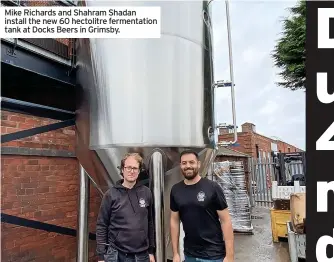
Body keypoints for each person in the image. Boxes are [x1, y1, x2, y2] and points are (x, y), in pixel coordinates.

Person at [170, 149, 234, 262]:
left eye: (191, 162)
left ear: (198, 164)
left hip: (213, 255)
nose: (188, 166)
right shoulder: (176, 190)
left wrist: (230, 256)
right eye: (184, 163)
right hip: (190, 255)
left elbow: (226, 221)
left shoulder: (212, 188)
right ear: (180, 165)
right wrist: (175, 253)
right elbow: (174, 221)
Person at [96, 153, 156, 262]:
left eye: (135, 168)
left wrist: (151, 251)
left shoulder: (146, 193)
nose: (131, 171)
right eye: (128, 167)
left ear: (139, 171)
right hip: (116, 254)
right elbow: (102, 225)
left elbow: (150, 223)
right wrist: (101, 256)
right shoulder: (111, 194)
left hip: (142, 255)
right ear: (122, 170)